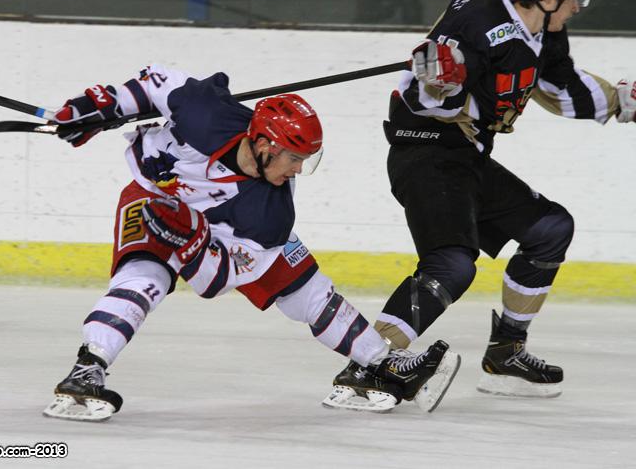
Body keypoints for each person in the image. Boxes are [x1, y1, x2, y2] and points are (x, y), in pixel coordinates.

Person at [42, 64, 460, 421]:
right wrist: (96, 107)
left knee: (308, 290)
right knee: (144, 277)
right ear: (263, 144)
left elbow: (216, 281)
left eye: (304, 160)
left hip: (217, 229)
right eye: (293, 157)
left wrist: (190, 238)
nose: (297, 170)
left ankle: (381, 365)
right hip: (155, 196)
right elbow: (155, 83)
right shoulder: (208, 115)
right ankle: (88, 368)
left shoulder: (270, 214)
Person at [375, 0, 635, 398]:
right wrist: (440, 82)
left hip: (467, 156)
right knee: (452, 265)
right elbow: (420, 99)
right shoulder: (476, 20)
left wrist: (620, 101)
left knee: (550, 228)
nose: (579, 4)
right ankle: (369, 365)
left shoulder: (544, 28)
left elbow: (561, 86)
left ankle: (505, 354)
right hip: (425, 151)